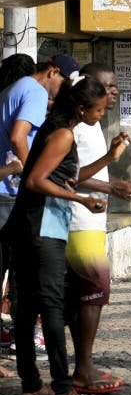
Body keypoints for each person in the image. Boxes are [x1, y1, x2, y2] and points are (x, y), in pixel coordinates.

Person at [5, 76, 126, 395]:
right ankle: (61, 386)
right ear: (83, 108)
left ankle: (31, 384)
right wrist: (82, 201)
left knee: (28, 307)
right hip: (42, 227)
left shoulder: (57, 127)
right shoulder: (62, 133)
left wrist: (109, 159)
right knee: (51, 306)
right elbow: (36, 180)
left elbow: (67, 175)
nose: (102, 114)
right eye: (99, 109)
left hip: (31, 226)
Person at [66, 63, 131, 395]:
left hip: (90, 220)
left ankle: (84, 364)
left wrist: (113, 182)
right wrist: (112, 186)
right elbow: (72, 173)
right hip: (79, 220)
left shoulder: (91, 123)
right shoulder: (79, 125)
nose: (115, 92)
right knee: (93, 296)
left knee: (85, 298)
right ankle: (82, 368)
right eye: (108, 87)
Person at [0, 54, 79, 364]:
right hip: (11, 193)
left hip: (7, 190)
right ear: (53, 71)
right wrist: (35, 174)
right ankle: (27, 349)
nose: (64, 91)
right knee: (21, 276)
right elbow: (19, 135)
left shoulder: (15, 88)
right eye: (65, 82)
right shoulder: (34, 91)